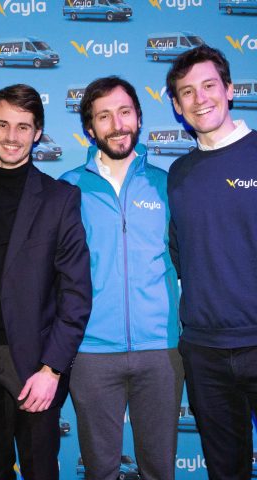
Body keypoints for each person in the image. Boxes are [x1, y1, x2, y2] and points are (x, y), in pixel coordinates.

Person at [0, 83, 92, 480]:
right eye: (2, 125)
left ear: (38, 132)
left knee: (40, 470)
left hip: (34, 361)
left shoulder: (59, 198)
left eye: (23, 127)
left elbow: (76, 293)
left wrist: (52, 369)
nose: (12, 136)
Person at [60, 76, 184, 480]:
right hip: (91, 352)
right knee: (100, 471)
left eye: (125, 112)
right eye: (104, 116)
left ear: (139, 118)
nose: (117, 125)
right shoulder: (67, 189)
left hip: (161, 350)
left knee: (159, 470)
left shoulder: (167, 185)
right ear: (89, 128)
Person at [166, 45, 257, 480]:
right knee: (225, 471)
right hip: (204, 353)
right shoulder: (178, 174)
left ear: (230, 89)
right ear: (177, 105)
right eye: (187, 91)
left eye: (208, 85)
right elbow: (180, 256)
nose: (200, 99)